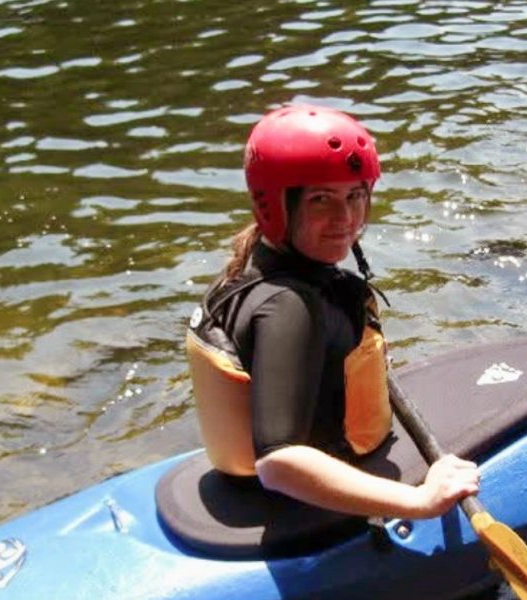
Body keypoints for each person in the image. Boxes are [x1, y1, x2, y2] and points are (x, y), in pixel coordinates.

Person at [186, 103, 480, 520]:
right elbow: (279, 464)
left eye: (355, 195)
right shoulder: (288, 305)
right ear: (275, 204)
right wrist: (420, 501)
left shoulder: (251, 266)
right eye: (321, 199)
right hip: (292, 503)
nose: (345, 218)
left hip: (235, 487)